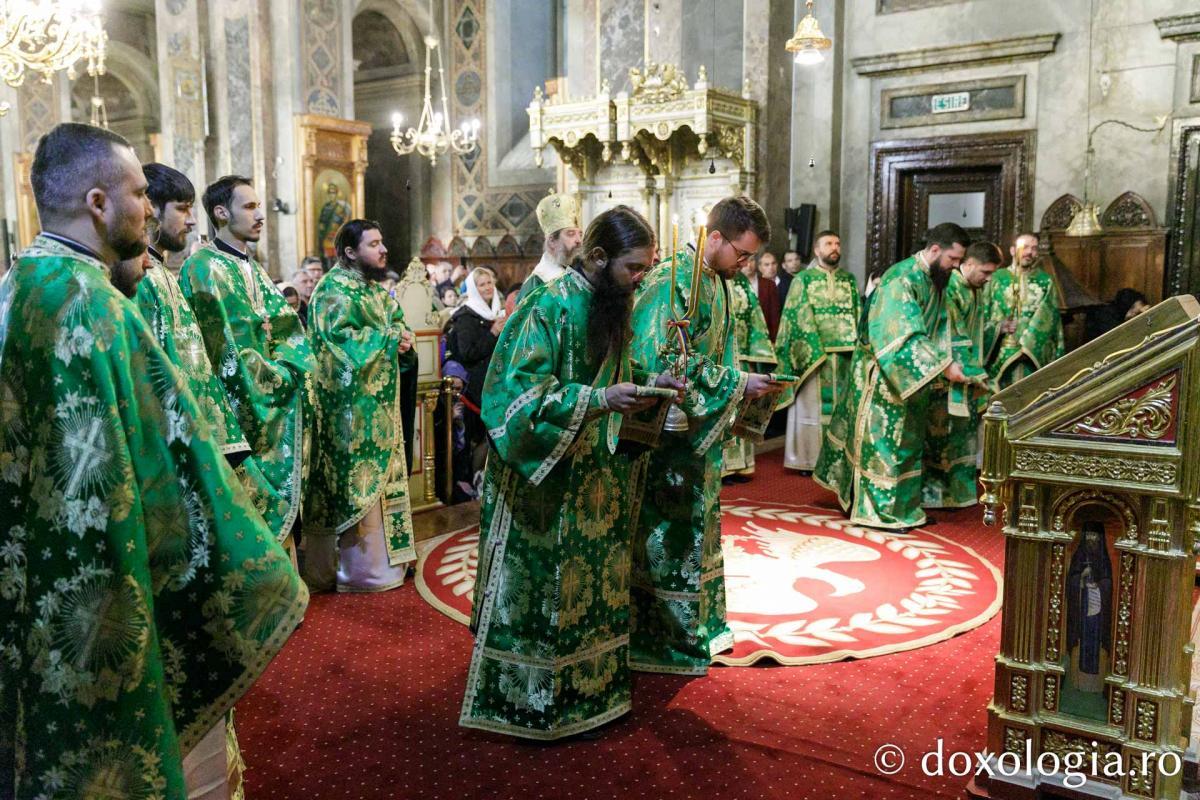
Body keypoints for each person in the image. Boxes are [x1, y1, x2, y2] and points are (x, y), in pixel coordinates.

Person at [0, 122, 306, 800]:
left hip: (36, 571)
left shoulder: (20, 285)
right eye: (139, 193)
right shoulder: (95, 305)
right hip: (106, 579)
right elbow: (171, 455)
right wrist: (258, 566)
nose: (149, 207)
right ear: (98, 203)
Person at [461, 205, 682, 740]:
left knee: (594, 589)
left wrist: (652, 381)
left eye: (647, 267)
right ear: (599, 257)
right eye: (634, 267)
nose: (642, 278)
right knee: (547, 597)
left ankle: (591, 692)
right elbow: (515, 398)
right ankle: (533, 703)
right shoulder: (547, 306)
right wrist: (599, 399)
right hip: (545, 482)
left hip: (597, 478)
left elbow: (615, 373)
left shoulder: (612, 304)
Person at [629, 196, 786, 675]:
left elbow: (717, 354)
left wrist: (745, 386)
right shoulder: (669, 281)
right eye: (742, 254)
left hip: (698, 435)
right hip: (667, 435)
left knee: (697, 532)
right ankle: (661, 637)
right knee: (669, 536)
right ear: (714, 237)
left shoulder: (716, 280)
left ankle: (697, 626)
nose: (745, 265)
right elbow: (659, 360)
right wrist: (737, 384)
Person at [179, 176, 315, 551]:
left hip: (273, 398)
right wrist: (275, 375)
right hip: (237, 413)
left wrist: (291, 365)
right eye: (250, 207)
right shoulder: (203, 269)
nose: (260, 215)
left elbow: (286, 328)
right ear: (221, 213)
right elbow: (218, 351)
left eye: (259, 206)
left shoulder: (252, 267)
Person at [815, 222, 971, 530]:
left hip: (913, 375)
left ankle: (905, 509)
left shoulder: (933, 279)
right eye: (953, 259)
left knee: (909, 443)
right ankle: (879, 512)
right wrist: (943, 366)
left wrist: (954, 362)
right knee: (884, 444)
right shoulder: (901, 278)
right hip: (884, 374)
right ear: (935, 249)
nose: (956, 267)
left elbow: (941, 327)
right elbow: (901, 333)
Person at [304, 219, 418, 593]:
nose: (383, 249)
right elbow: (337, 347)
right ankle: (355, 572)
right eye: (374, 244)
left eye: (382, 242)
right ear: (351, 252)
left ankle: (385, 566)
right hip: (347, 415)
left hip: (379, 410)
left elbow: (396, 324)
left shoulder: (374, 291)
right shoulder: (331, 291)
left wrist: (403, 341)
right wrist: (388, 340)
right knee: (353, 485)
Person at [137, 163, 253, 467]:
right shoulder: (142, 278)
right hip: (175, 446)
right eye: (182, 209)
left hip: (199, 434)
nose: (191, 220)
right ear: (151, 207)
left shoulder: (161, 272)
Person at [922, 241, 1002, 510]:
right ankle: (936, 496)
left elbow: (978, 332)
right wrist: (975, 374)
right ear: (968, 264)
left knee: (962, 436)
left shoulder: (975, 289)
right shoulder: (952, 287)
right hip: (949, 376)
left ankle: (958, 494)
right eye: (985, 272)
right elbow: (953, 335)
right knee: (942, 436)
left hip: (968, 373)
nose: (988, 279)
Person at [775, 230, 859, 476]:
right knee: (811, 410)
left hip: (845, 357)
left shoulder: (849, 280)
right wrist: (813, 349)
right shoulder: (803, 280)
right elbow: (794, 317)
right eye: (828, 243)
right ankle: (808, 461)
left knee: (842, 411)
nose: (834, 247)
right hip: (814, 357)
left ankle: (840, 459)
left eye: (837, 243)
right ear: (817, 250)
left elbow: (858, 314)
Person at [445, 267, 505, 484]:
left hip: (495, 383)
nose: (488, 287)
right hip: (475, 388)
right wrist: (493, 333)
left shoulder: (496, 312)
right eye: (482, 284)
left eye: (490, 283)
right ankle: (470, 483)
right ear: (473, 288)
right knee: (477, 437)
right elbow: (468, 353)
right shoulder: (466, 316)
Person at [983, 232, 1064, 391]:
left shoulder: (1045, 281)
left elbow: (1049, 317)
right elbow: (985, 311)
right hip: (1001, 352)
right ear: (1012, 250)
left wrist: (1028, 345)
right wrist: (997, 328)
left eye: (1034, 248)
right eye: (1025, 247)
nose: (1029, 252)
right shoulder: (996, 278)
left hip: (1032, 354)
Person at [722, 261, 777, 482]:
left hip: (743, 359)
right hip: (720, 362)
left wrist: (758, 355)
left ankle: (741, 466)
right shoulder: (708, 281)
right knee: (724, 412)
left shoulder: (742, 282)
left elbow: (756, 318)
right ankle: (723, 467)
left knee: (741, 412)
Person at [516, 191, 583, 304]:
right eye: (571, 234)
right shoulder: (537, 284)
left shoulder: (577, 273)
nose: (579, 240)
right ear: (552, 241)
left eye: (580, 234)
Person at [746, 253, 783, 340]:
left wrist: (774, 340)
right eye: (745, 261)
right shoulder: (732, 284)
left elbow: (774, 316)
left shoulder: (769, 285)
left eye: (751, 260)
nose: (748, 265)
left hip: (764, 336)